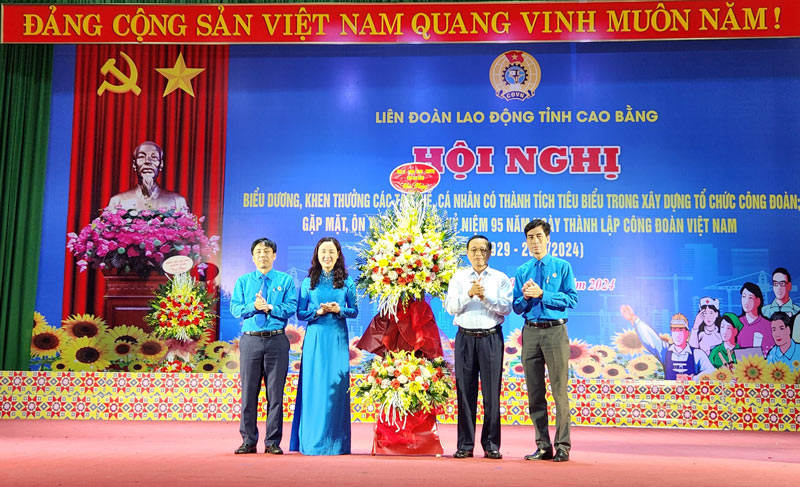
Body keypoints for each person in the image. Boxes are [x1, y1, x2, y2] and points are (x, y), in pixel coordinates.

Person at [513, 219, 578, 463]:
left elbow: (572, 299)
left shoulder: (562, 267)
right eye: (530, 237)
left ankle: (562, 446)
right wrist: (527, 298)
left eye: (539, 236)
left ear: (548, 239)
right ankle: (543, 445)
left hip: (555, 332)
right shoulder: (522, 271)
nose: (535, 241)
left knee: (559, 391)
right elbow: (517, 307)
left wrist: (544, 294)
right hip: (530, 332)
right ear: (526, 241)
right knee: (534, 392)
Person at [444, 235, 512, 460]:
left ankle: (491, 444)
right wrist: (469, 294)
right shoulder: (458, 277)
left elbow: (505, 308)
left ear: (490, 253)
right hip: (464, 338)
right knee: (465, 393)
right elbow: (451, 307)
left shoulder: (500, 278)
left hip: (491, 338)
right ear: (467, 252)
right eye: (474, 250)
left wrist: (485, 297)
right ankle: (465, 444)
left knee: (492, 393)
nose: (478, 254)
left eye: (483, 250)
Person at [290, 237, 358, 455]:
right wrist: (317, 312)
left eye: (331, 252)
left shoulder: (348, 282)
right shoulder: (309, 281)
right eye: (323, 252)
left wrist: (340, 310)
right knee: (314, 387)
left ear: (338, 254)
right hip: (315, 339)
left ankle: (336, 443)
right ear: (316, 255)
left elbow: (354, 310)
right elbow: (300, 313)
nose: (327, 256)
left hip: (337, 338)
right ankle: (310, 442)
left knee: (335, 389)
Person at [230, 238, 297, 455]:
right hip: (251, 340)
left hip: (277, 339)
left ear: (275, 255)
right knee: (249, 393)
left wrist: (270, 307)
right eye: (258, 252)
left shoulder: (285, 281)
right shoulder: (243, 281)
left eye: (267, 252)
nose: (263, 255)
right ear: (252, 257)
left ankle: (272, 442)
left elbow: (291, 308)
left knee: (275, 394)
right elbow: (235, 309)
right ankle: (248, 441)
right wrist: (253, 306)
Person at [620, 307, 714, 380]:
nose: (677, 334)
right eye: (674, 330)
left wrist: (692, 378)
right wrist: (634, 319)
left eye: (680, 330)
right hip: (669, 399)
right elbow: (651, 338)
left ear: (686, 333)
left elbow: (712, 372)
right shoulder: (665, 350)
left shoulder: (697, 354)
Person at [107, 141, 188, 211]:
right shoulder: (118, 201)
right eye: (141, 157)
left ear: (161, 164)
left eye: (154, 157)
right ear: (134, 164)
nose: (148, 161)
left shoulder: (177, 201)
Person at [737, 282, 774, 356]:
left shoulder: (768, 326)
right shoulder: (736, 323)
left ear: (758, 301)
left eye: (750, 297)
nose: (746, 301)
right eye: (744, 297)